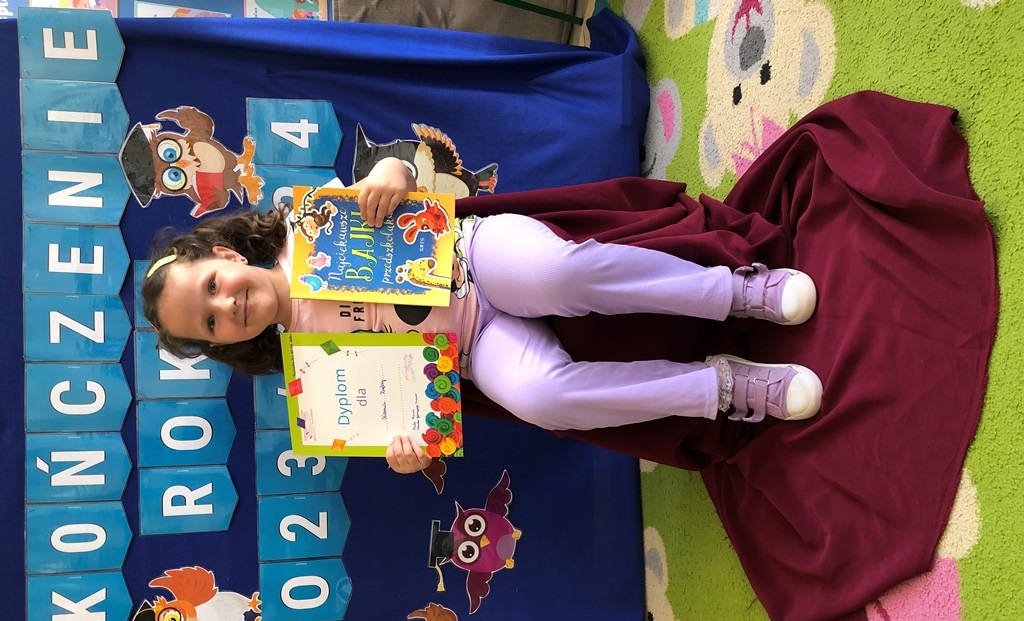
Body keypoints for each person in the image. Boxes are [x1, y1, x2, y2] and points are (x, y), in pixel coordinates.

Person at [142, 156, 823, 474]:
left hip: (473, 257)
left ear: (225, 253)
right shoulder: (310, 376)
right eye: (211, 323)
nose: (225, 305)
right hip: (475, 347)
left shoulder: (309, 221)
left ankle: (734, 291)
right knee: (545, 399)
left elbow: (400, 174)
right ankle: (722, 387)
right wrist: (406, 452)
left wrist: (390, 175)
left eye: (212, 286)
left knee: (561, 271)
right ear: (225, 345)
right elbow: (402, 413)